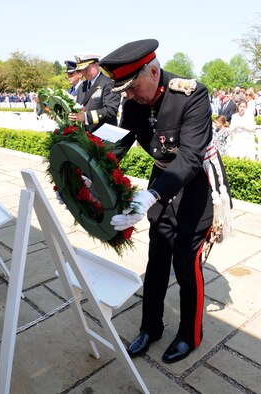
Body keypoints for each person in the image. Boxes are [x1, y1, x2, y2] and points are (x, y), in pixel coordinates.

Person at [99, 39, 231, 364]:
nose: (128, 96)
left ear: (153, 71)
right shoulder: (132, 104)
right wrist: (88, 172)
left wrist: (151, 195)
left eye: (131, 87)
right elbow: (119, 144)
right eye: (123, 90)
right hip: (160, 184)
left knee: (186, 265)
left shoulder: (191, 94)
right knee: (156, 260)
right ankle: (150, 327)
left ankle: (190, 334)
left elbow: (188, 158)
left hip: (195, 187)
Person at [68, 54, 121, 133]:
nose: (83, 72)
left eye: (86, 68)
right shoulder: (82, 85)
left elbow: (111, 110)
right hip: (86, 134)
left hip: (104, 134)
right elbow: (79, 106)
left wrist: (86, 117)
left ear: (96, 65)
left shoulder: (108, 83)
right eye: (81, 69)